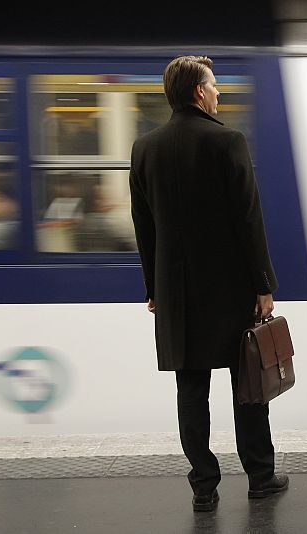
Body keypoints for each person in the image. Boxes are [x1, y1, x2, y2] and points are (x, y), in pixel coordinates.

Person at [129, 56, 288, 512]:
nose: (219, 93)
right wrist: (263, 283)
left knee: (191, 389)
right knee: (248, 383)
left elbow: (144, 226)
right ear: (199, 92)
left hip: (177, 293)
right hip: (230, 289)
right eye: (214, 86)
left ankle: (203, 485)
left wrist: (153, 288)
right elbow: (248, 220)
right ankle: (260, 476)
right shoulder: (227, 141)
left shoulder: (145, 148)